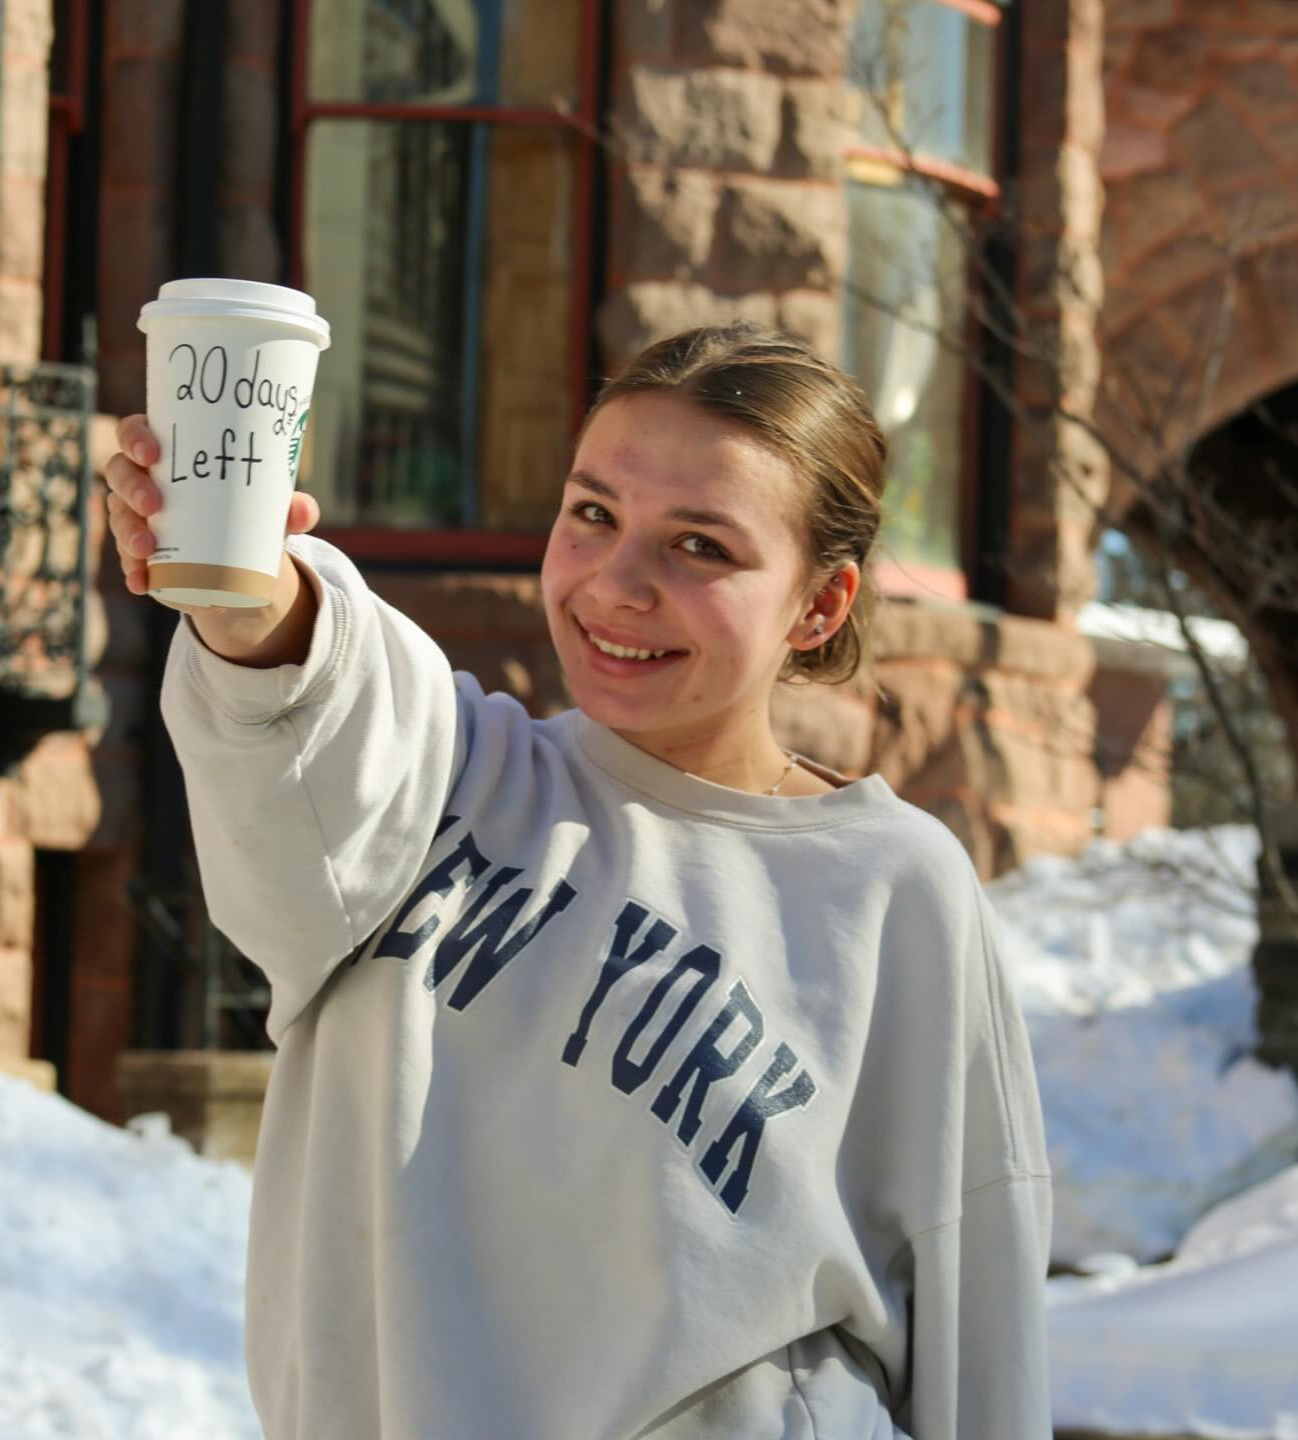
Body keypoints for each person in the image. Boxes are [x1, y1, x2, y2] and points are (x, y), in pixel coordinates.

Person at [104, 324, 1053, 1440]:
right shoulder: (447, 775)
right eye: (593, 514)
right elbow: (326, 681)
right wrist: (245, 589)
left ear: (820, 605)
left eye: (701, 547)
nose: (619, 582)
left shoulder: (896, 892)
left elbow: (977, 1308)